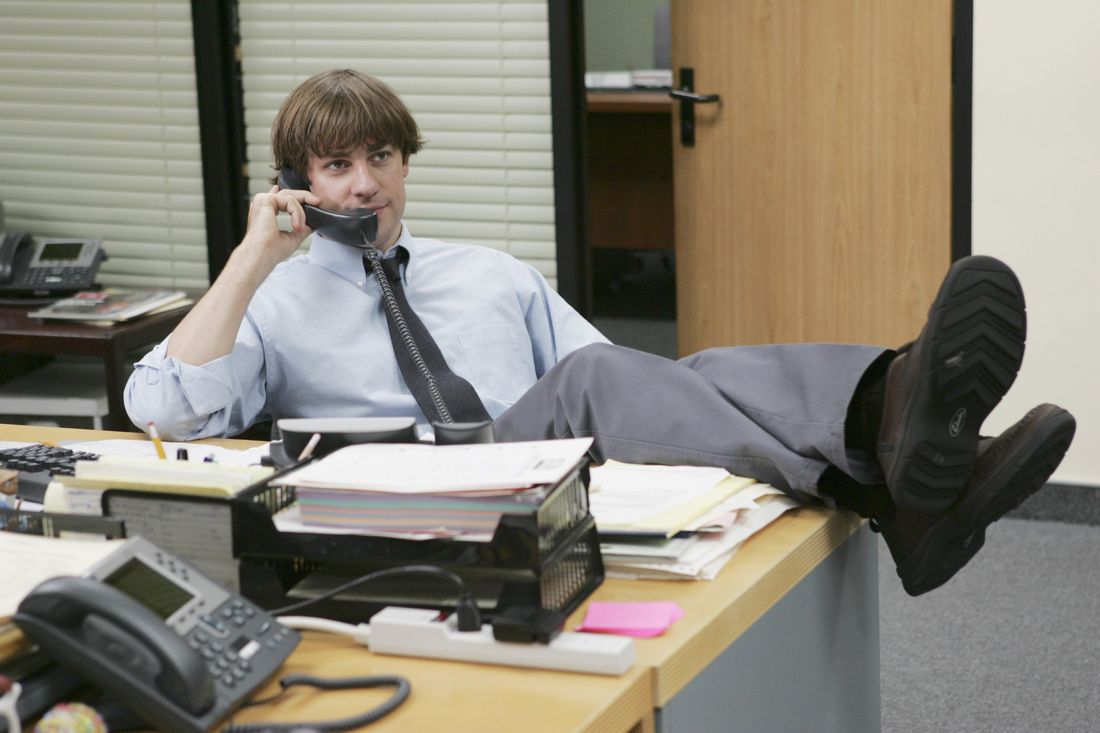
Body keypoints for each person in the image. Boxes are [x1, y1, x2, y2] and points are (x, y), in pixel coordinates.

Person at [124, 69, 1076, 596]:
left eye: (381, 155)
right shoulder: (269, 303)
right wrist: (251, 260)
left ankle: (896, 442)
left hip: (533, 474)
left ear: (405, 162)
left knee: (658, 370)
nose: (365, 183)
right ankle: (898, 442)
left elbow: (635, 380)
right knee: (596, 380)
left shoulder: (491, 274)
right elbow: (163, 408)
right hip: (398, 496)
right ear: (299, 183)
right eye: (336, 166)